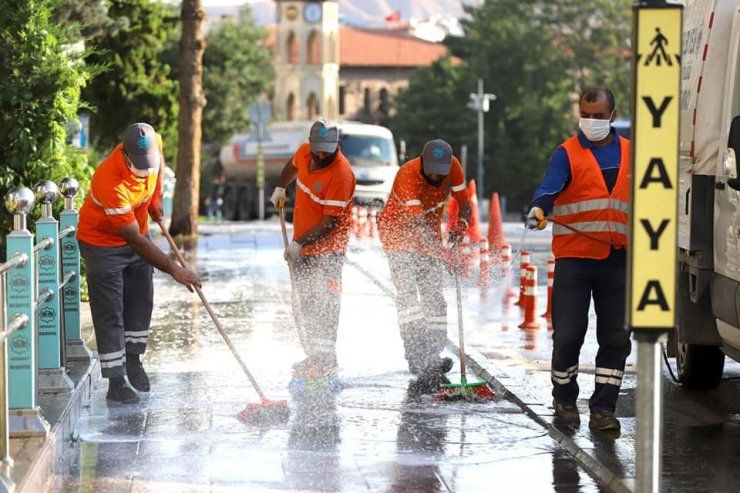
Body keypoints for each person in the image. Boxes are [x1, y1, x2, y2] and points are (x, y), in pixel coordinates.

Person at [527, 86, 631, 433]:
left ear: (612, 117)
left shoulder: (633, 154)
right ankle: (565, 398)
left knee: (615, 338)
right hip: (574, 259)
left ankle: (603, 408)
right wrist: (539, 208)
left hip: (617, 258)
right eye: (585, 115)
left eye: (598, 116)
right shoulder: (567, 153)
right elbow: (549, 187)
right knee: (569, 334)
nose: (591, 122)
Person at [77, 122, 202, 404]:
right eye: (139, 165)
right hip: (102, 243)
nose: (145, 170)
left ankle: (133, 359)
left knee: (141, 300)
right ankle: (116, 381)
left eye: (149, 164)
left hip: (136, 232)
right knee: (110, 309)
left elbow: (156, 172)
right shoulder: (109, 181)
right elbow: (134, 239)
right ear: (125, 155)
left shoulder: (151, 145)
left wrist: (154, 198)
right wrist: (174, 269)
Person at [377, 139, 471, 391]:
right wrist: (443, 254)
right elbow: (417, 226)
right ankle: (418, 358)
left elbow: (465, 205)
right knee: (409, 300)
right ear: (422, 161)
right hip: (397, 235)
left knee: (434, 300)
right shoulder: (407, 174)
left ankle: (433, 354)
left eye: (440, 173)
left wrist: (460, 227)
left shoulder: (454, 167)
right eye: (430, 170)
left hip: (428, 235)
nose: (434, 176)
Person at [270, 119, 356, 376]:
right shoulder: (305, 150)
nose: (320, 154)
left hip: (329, 249)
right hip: (303, 247)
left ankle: (327, 360)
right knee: (305, 302)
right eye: (317, 148)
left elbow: (330, 224)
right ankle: (313, 357)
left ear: (337, 145)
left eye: (326, 150)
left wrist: (298, 244)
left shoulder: (341, 175)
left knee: (326, 302)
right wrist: (280, 186)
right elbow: (292, 165)